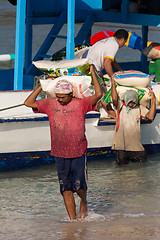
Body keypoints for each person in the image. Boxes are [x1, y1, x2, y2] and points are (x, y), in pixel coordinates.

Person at [24, 65, 102, 221]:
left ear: (71, 94)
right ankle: (73, 223)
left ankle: (84, 201)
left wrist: (93, 73)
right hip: (59, 153)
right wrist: (42, 85)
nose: (60, 99)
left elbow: (99, 94)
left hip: (79, 151)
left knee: (79, 187)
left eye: (63, 97)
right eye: (57, 96)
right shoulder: (49, 104)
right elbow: (28, 102)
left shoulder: (81, 103)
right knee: (65, 189)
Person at [83, 29, 129, 119]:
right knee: (101, 90)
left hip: (85, 65)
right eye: (124, 43)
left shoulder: (108, 41)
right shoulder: (114, 45)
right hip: (92, 67)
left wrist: (121, 71)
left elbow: (112, 61)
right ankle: (110, 110)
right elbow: (107, 63)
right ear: (123, 40)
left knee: (95, 89)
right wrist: (112, 77)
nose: (123, 45)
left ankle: (97, 109)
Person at [111, 77, 156, 165]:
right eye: (129, 101)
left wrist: (153, 101)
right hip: (121, 147)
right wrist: (113, 84)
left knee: (142, 168)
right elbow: (114, 99)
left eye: (133, 101)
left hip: (136, 147)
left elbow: (150, 117)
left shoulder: (139, 108)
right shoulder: (120, 106)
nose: (131, 103)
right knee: (122, 172)